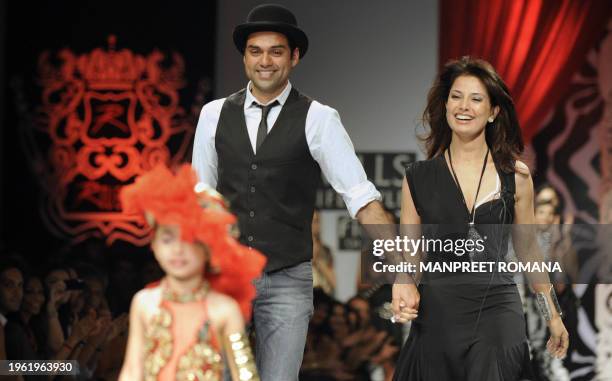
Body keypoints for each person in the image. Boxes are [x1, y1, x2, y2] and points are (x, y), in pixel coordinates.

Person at [192, 4, 390, 379]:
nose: (265, 61)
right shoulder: (213, 114)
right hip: (226, 275)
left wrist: (404, 267)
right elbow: (201, 201)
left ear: (294, 57)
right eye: (256, 51)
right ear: (245, 57)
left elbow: (360, 197)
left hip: (286, 278)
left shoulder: (319, 118)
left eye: (276, 51)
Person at [391, 57, 569, 380]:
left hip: (497, 311)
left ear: (493, 112)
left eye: (476, 99)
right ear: (445, 106)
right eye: (456, 96)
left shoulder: (516, 176)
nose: (464, 107)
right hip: (438, 316)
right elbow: (410, 252)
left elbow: (529, 251)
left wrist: (552, 315)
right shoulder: (417, 177)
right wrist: (403, 281)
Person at [118, 164, 266, 381]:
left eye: (189, 239)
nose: (178, 249)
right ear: (154, 247)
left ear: (208, 248)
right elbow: (132, 371)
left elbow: (245, 377)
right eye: (167, 239)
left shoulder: (225, 310)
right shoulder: (144, 303)